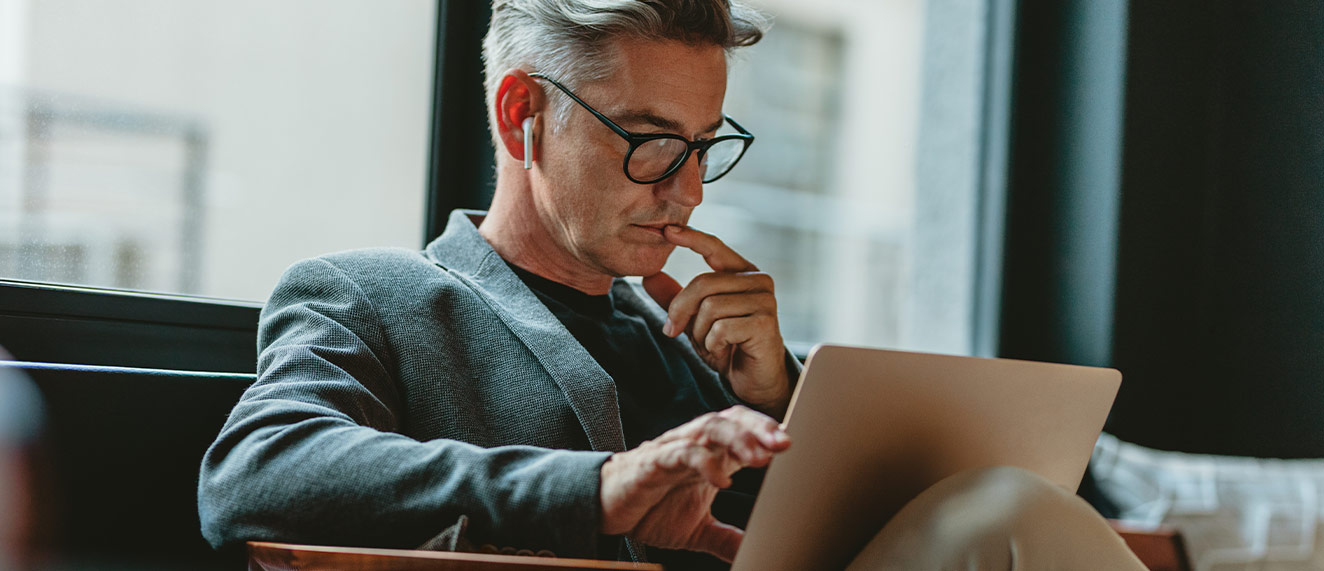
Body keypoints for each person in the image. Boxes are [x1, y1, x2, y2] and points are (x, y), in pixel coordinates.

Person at [199, 1, 1145, 568]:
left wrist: (785, 396)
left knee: (1009, 505)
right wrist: (599, 486)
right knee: (1009, 517)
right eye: (652, 142)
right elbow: (255, 472)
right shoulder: (371, 295)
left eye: (704, 147)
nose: (687, 189)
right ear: (522, 113)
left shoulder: (703, 345)